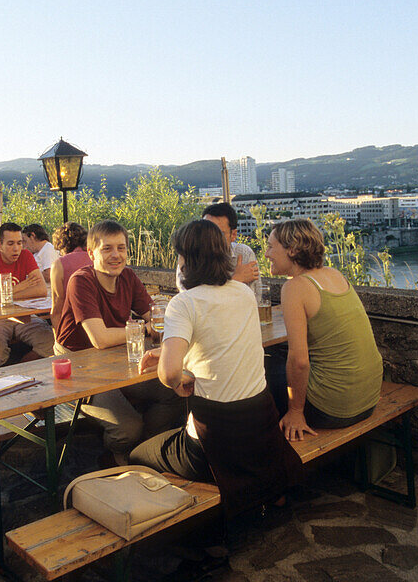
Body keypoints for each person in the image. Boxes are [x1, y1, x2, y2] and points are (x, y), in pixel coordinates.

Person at [131, 220, 300, 517]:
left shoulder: (183, 303)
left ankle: (188, 526)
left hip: (214, 444)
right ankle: (265, 492)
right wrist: (172, 351)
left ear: (186, 259)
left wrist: (180, 375)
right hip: (260, 431)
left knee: (137, 454)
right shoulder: (243, 293)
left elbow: (170, 375)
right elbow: (221, 342)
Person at [54, 220, 182, 465]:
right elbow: (100, 339)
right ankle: (117, 453)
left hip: (118, 358)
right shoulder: (81, 281)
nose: (116, 255)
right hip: (80, 368)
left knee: (175, 388)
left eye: (121, 248)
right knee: (127, 428)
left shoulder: (128, 277)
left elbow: (155, 318)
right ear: (91, 253)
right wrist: (145, 329)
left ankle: (144, 450)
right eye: (107, 249)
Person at [266, 218, 383, 440]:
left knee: (267, 364)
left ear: (291, 250)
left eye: (271, 247)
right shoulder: (334, 274)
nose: (266, 254)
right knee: (281, 356)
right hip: (367, 400)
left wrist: (296, 412)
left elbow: (299, 361)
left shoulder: (295, 287)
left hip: (333, 408)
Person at [0, 222, 54, 365]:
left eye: (19, 243)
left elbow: (40, 290)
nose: (16, 248)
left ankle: (21, 369)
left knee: (51, 341)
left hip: (23, 315)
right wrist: (20, 287)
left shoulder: (26, 256)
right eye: (10, 244)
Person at [175, 202, 259, 293]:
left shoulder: (244, 254)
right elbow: (189, 298)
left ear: (233, 235)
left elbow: (254, 298)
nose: (210, 238)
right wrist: (235, 281)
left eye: (219, 234)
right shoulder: (191, 254)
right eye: (205, 233)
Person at [48, 222, 92, 330]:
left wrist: (58, 342)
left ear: (61, 246)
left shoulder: (59, 264)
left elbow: (56, 310)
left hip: (76, 328)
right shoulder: (96, 257)